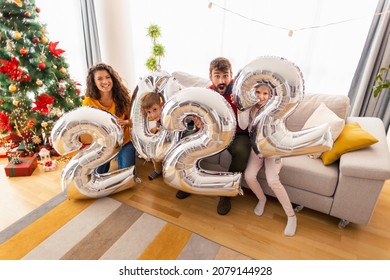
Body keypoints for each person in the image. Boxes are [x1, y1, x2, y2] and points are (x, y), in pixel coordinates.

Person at [176, 57, 251, 216]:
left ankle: (226, 193)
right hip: (214, 132)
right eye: (217, 76)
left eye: (225, 75)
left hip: (237, 134)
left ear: (231, 75)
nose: (221, 80)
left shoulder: (239, 92)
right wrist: (197, 121)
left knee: (243, 149)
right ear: (211, 77)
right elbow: (199, 115)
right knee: (188, 136)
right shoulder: (207, 92)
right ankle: (188, 181)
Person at [239, 82, 297, 236]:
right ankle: (262, 199)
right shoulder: (251, 108)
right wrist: (243, 108)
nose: (261, 97)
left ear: (271, 95)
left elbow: (280, 131)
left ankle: (291, 216)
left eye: (265, 94)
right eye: (258, 92)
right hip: (257, 147)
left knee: (272, 180)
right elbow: (243, 126)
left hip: (273, 149)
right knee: (249, 176)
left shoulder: (277, 108)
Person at [82, 63, 136, 174]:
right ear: (94, 82)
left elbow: (134, 121)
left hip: (124, 141)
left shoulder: (124, 97)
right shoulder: (89, 101)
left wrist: (125, 122)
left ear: (113, 79)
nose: (105, 82)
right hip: (103, 143)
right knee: (96, 174)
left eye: (107, 77)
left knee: (127, 174)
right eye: (100, 79)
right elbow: (86, 126)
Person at [140, 91, 164, 180]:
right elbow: (158, 126)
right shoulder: (157, 118)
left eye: (155, 109)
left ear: (161, 105)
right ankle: (158, 170)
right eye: (149, 112)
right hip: (163, 137)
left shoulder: (167, 114)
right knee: (153, 149)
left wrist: (159, 130)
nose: (153, 114)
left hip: (173, 138)